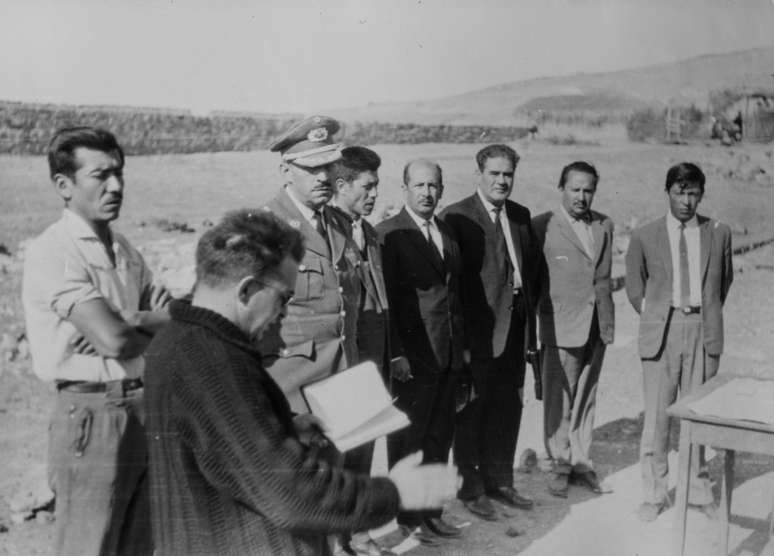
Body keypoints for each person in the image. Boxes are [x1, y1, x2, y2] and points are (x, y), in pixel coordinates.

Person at [143, 209, 458, 556]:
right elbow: (291, 494)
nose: (283, 315)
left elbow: (218, 448)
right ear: (247, 290)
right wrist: (395, 492)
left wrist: (286, 428)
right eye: (283, 299)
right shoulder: (214, 360)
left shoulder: (177, 338)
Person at [22, 126, 170, 556]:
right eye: (101, 175)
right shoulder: (56, 250)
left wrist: (137, 318)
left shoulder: (125, 250)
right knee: (91, 546)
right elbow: (115, 341)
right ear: (64, 185)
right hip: (92, 413)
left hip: (144, 408)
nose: (117, 186)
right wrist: (141, 327)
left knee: (140, 545)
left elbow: (175, 322)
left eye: (120, 173)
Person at [625, 162, 733, 522]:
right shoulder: (645, 235)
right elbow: (635, 287)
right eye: (679, 192)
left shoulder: (719, 233)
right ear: (667, 191)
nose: (686, 201)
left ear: (701, 194)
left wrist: (701, 314)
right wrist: (658, 316)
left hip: (702, 329)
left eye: (693, 193)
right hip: (662, 331)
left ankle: (699, 492)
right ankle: (655, 494)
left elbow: (723, 285)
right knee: (657, 419)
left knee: (698, 416)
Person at [441, 144, 538, 521]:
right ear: (479, 173)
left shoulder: (520, 216)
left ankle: (500, 480)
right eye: (494, 174)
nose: (501, 181)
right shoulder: (457, 217)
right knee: (472, 410)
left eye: (508, 174)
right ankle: (471, 488)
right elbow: (455, 286)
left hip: (514, 332)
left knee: (508, 406)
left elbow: (531, 277)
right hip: (477, 336)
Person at [376, 160, 466, 546]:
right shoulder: (388, 235)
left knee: (439, 437)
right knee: (408, 442)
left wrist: (461, 355)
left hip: (446, 355)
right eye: (419, 185)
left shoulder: (445, 231)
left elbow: (452, 298)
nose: (427, 192)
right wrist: (396, 354)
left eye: (433, 186)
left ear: (442, 189)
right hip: (413, 359)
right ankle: (406, 518)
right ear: (405, 188)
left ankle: (430, 514)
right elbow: (388, 303)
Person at [258, 115, 361, 412]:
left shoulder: (339, 223)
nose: (324, 177)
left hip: (343, 379)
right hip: (291, 389)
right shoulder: (265, 227)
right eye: (312, 168)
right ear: (285, 171)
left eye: (328, 166)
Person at [531, 161, 615, 498]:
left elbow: (604, 279)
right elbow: (534, 281)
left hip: (598, 324)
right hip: (560, 324)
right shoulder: (542, 226)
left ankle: (581, 462)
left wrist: (606, 321)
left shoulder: (604, 224)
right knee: (559, 398)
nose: (582, 196)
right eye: (575, 189)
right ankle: (559, 463)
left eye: (588, 190)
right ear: (561, 188)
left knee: (587, 396)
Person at [330, 146, 395, 555]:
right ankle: (335, 538)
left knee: (364, 450)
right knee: (336, 457)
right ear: (341, 185)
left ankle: (358, 533)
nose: (373, 195)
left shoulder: (368, 232)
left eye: (376, 186)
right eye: (366, 187)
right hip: (340, 363)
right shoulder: (327, 230)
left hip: (371, 359)